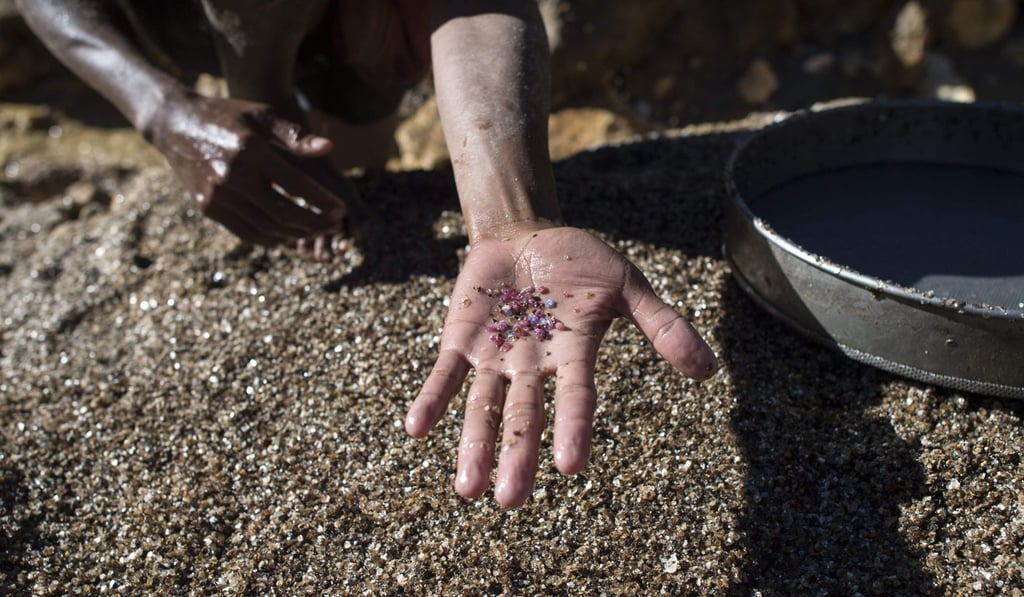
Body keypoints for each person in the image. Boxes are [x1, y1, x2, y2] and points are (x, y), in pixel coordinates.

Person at [17, 0, 719, 508]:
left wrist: (511, 220)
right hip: (183, 22)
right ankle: (261, 120)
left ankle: (320, 148)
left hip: (351, 25)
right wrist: (159, 109)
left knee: (357, 167)